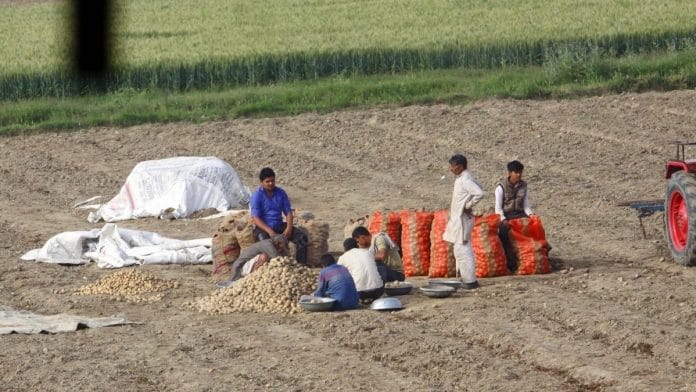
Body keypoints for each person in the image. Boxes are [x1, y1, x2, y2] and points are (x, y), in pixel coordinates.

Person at [442, 154, 485, 290]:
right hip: (458, 219)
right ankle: (463, 278)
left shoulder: (465, 180)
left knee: (463, 249)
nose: (451, 169)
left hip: (462, 220)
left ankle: (470, 281)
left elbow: (479, 193)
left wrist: (468, 205)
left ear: (460, 166)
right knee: (458, 249)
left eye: (452, 166)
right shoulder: (463, 178)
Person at [249, 167, 308, 264]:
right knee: (267, 245)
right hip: (263, 228)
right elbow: (256, 218)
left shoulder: (281, 193)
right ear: (262, 182)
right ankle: (270, 268)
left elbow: (288, 212)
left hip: (279, 225)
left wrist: (288, 228)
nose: (271, 183)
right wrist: (270, 231)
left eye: (272, 181)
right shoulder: (257, 196)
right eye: (267, 181)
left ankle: (301, 265)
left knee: (302, 238)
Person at [495, 160, 534, 272]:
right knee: (504, 232)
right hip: (506, 215)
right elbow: (498, 208)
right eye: (516, 172)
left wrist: (531, 215)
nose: (519, 175)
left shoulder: (524, 186)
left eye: (520, 172)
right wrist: (503, 220)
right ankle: (509, 260)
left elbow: (526, 205)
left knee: (533, 227)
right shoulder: (500, 187)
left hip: (519, 213)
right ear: (509, 173)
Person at [217, 235, 288, 288]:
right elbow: (277, 257)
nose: (282, 248)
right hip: (241, 267)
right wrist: (289, 263)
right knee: (264, 257)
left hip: (246, 266)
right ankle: (250, 278)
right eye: (282, 246)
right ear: (278, 243)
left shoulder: (270, 244)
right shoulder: (268, 244)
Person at [338, 234, 384, 303]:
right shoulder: (367, 252)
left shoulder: (342, 258)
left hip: (358, 293)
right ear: (357, 245)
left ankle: (363, 298)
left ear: (345, 248)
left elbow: (338, 275)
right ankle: (372, 297)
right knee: (381, 268)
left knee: (344, 275)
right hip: (378, 291)